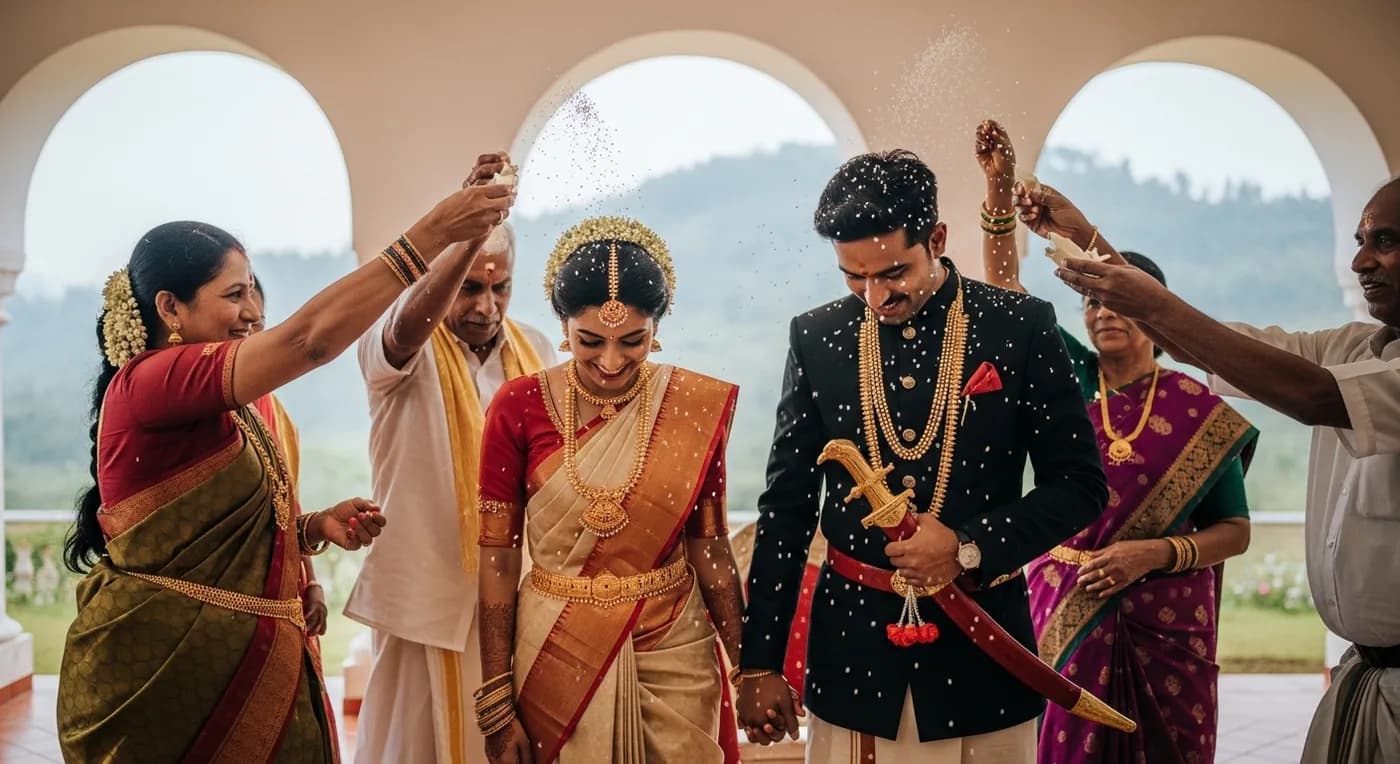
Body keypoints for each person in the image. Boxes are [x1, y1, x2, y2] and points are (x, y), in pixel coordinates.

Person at [56, 152, 516, 763]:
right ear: (170, 308)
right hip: (169, 667)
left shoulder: (247, 404)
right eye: (234, 294)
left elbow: (239, 516)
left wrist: (312, 532)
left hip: (261, 651)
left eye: (254, 292)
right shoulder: (149, 382)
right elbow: (310, 340)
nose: (253, 311)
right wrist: (435, 232)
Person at [738, 148, 1108, 763]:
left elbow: (1080, 485)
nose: (874, 295)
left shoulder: (1018, 326)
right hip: (852, 653)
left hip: (983, 652)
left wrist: (967, 545)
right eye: (853, 277)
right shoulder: (817, 337)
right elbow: (786, 508)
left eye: (893, 272)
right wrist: (759, 663)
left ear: (936, 237)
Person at [1032, 175, 1400, 763]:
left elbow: (1310, 395)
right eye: (1359, 239)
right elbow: (1217, 344)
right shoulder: (1354, 346)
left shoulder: (1208, 408)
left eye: (1384, 240)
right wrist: (1085, 236)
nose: (1359, 260)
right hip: (1367, 677)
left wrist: (1154, 555)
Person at [975, 120, 1258, 763]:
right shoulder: (1070, 380)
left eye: (1117, 300)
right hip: (1064, 610)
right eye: (1091, 302)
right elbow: (1006, 296)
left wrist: (1153, 554)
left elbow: (1235, 531)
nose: (1103, 312)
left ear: (1154, 313)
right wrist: (997, 195)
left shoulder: (1197, 410)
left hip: (1167, 624)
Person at [474, 217, 745, 764]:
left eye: (634, 342)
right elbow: (498, 560)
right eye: (589, 342)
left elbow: (711, 548)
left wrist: (750, 666)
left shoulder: (689, 408)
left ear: (658, 328)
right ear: (562, 325)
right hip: (558, 648)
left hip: (674, 649)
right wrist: (498, 702)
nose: (612, 362)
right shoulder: (518, 406)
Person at [345, 213, 557, 763]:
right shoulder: (395, 344)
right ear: (434, 279)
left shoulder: (535, 348)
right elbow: (401, 333)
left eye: (499, 287)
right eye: (468, 286)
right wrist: (458, 243)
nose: (486, 306)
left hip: (518, 590)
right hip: (426, 596)